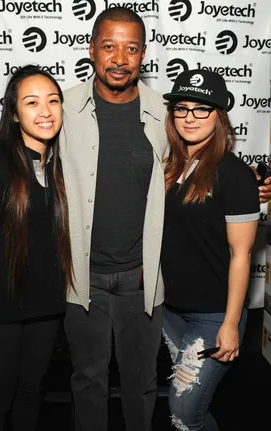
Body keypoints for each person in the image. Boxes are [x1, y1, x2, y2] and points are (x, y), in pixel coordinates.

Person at [60, 7, 167, 431]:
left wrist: (249, 183)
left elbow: (201, 166)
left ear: (143, 55)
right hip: (81, 277)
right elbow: (24, 161)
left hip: (142, 277)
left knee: (141, 384)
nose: (120, 58)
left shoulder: (166, 112)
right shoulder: (62, 106)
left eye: (131, 48)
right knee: (87, 382)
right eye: (109, 46)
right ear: (91, 51)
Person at [0, 64, 72, 431]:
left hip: (46, 310)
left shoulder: (61, 169)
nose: (45, 111)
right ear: (14, 113)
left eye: (53, 101)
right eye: (32, 102)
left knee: (31, 394)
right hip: (0, 312)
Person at [161, 69, 260, 431]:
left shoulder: (235, 175)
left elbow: (242, 255)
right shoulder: (171, 166)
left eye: (202, 109)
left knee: (183, 412)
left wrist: (231, 323)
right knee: (189, 407)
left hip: (214, 315)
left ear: (219, 115)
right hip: (171, 311)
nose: (190, 117)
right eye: (182, 108)